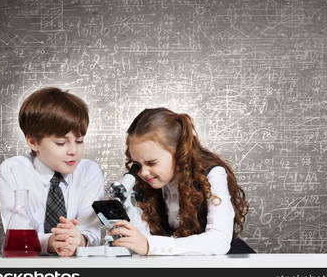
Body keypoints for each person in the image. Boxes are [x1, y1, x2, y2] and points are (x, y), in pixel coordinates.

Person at [109, 107, 255, 255]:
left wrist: (149, 245)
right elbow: (144, 241)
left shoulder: (213, 174)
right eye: (137, 165)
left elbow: (218, 241)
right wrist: (127, 213)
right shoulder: (149, 186)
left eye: (152, 163)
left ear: (178, 152)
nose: (143, 173)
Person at [0, 87, 104, 257]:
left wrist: (78, 239)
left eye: (79, 141)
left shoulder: (89, 171)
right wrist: (51, 242)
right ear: (33, 142)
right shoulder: (14, 170)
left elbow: (91, 231)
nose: (73, 151)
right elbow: (18, 234)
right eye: (61, 143)